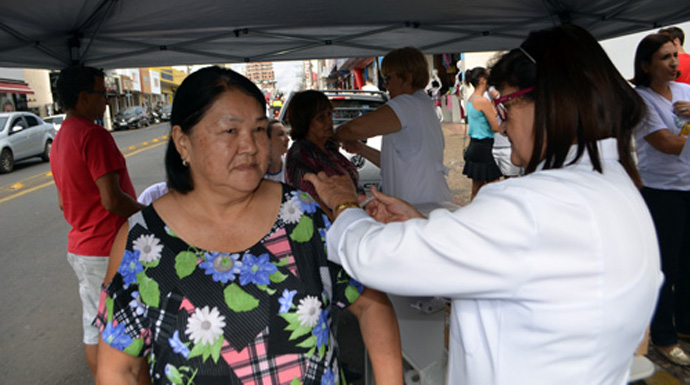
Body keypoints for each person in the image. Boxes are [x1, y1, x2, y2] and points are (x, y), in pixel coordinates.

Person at [304, 24, 663, 385]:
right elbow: (509, 270)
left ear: (549, 101)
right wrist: (420, 228)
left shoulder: (535, 205)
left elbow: (377, 258)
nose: (502, 129)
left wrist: (345, 207)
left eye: (504, 108)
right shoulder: (619, 189)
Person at [95, 66, 403, 385]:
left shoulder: (302, 216)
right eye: (230, 131)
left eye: (259, 129)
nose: (251, 146)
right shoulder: (142, 244)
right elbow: (121, 369)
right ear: (182, 142)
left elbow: (371, 305)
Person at [50, 65, 146, 379]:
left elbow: (64, 202)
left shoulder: (61, 138)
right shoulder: (94, 135)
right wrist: (148, 215)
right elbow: (112, 199)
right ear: (82, 97)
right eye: (102, 94)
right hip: (107, 247)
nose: (106, 101)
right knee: (123, 328)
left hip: (81, 247)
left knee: (95, 324)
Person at [632, 33, 690, 366]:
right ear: (646, 65)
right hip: (662, 192)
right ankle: (663, 336)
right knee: (665, 266)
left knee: (688, 264)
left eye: (674, 55)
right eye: (664, 57)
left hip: (688, 187)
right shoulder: (642, 100)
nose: (673, 63)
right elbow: (666, 144)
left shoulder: (685, 92)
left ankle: (685, 323)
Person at [335, 47, 452, 205]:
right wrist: (361, 149)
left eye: (388, 78)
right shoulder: (421, 104)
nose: (386, 86)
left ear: (407, 77)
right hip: (423, 203)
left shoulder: (408, 103)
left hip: (419, 205)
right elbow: (392, 163)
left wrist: (331, 134)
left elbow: (353, 129)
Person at [285, 90, 362, 219]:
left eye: (329, 114)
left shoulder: (329, 147)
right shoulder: (300, 155)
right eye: (321, 118)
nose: (329, 121)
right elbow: (312, 203)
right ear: (305, 122)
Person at [462, 67, 502, 198]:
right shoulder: (482, 101)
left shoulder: (472, 99)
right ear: (482, 80)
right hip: (485, 147)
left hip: (475, 145)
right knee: (494, 186)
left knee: (476, 188)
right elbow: (495, 126)